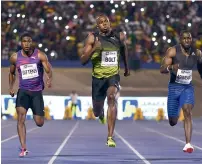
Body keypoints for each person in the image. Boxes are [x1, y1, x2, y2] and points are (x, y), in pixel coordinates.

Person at [79, 14, 130, 147]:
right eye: (101, 22)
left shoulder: (119, 36)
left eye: (106, 21)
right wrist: (94, 49)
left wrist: (126, 67)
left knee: (112, 97)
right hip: (98, 78)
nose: (105, 24)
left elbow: (124, 49)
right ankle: (100, 112)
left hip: (112, 76)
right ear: (98, 26)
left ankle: (110, 137)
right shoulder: (93, 38)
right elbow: (83, 60)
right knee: (96, 111)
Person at [9, 32, 52, 157]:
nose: (27, 44)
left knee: (39, 122)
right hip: (23, 92)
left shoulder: (39, 55)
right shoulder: (15, 57)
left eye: (29, 41)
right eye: (24, 41)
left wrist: (49, 78)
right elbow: (11, 73)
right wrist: (11, 87)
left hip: (36, 93)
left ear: (32, 42)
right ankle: (23, 148)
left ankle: (37, 114)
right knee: (20, 118)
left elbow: (48, 69)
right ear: (21, 43)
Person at [160, 30, 202, 153]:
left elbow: (201, 68)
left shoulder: (197, 53)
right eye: (184, 38)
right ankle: (174, 115)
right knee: (173, 121)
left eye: (189, 38)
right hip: (174, 88)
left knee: (187, 110)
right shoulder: (172, 51)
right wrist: (171, 67)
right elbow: (162, 69)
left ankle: (188, 144)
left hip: (187, 87)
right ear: (180, 40)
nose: (187, 40)